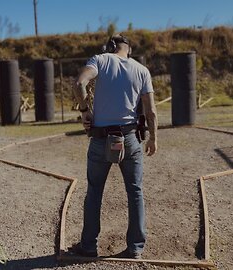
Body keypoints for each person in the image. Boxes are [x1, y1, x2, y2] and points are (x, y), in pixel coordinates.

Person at [71, 34, 158, 259]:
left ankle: (89, 246)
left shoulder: (99, 60)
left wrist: (84, 110)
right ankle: (136, 248)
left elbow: (80, 83)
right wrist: (153, 138)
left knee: (94, 192)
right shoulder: (142, 70)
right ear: (129, 49)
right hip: (129, 138)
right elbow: (151, 111)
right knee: (135, 192)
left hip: (101, 138)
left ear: (109, 47)